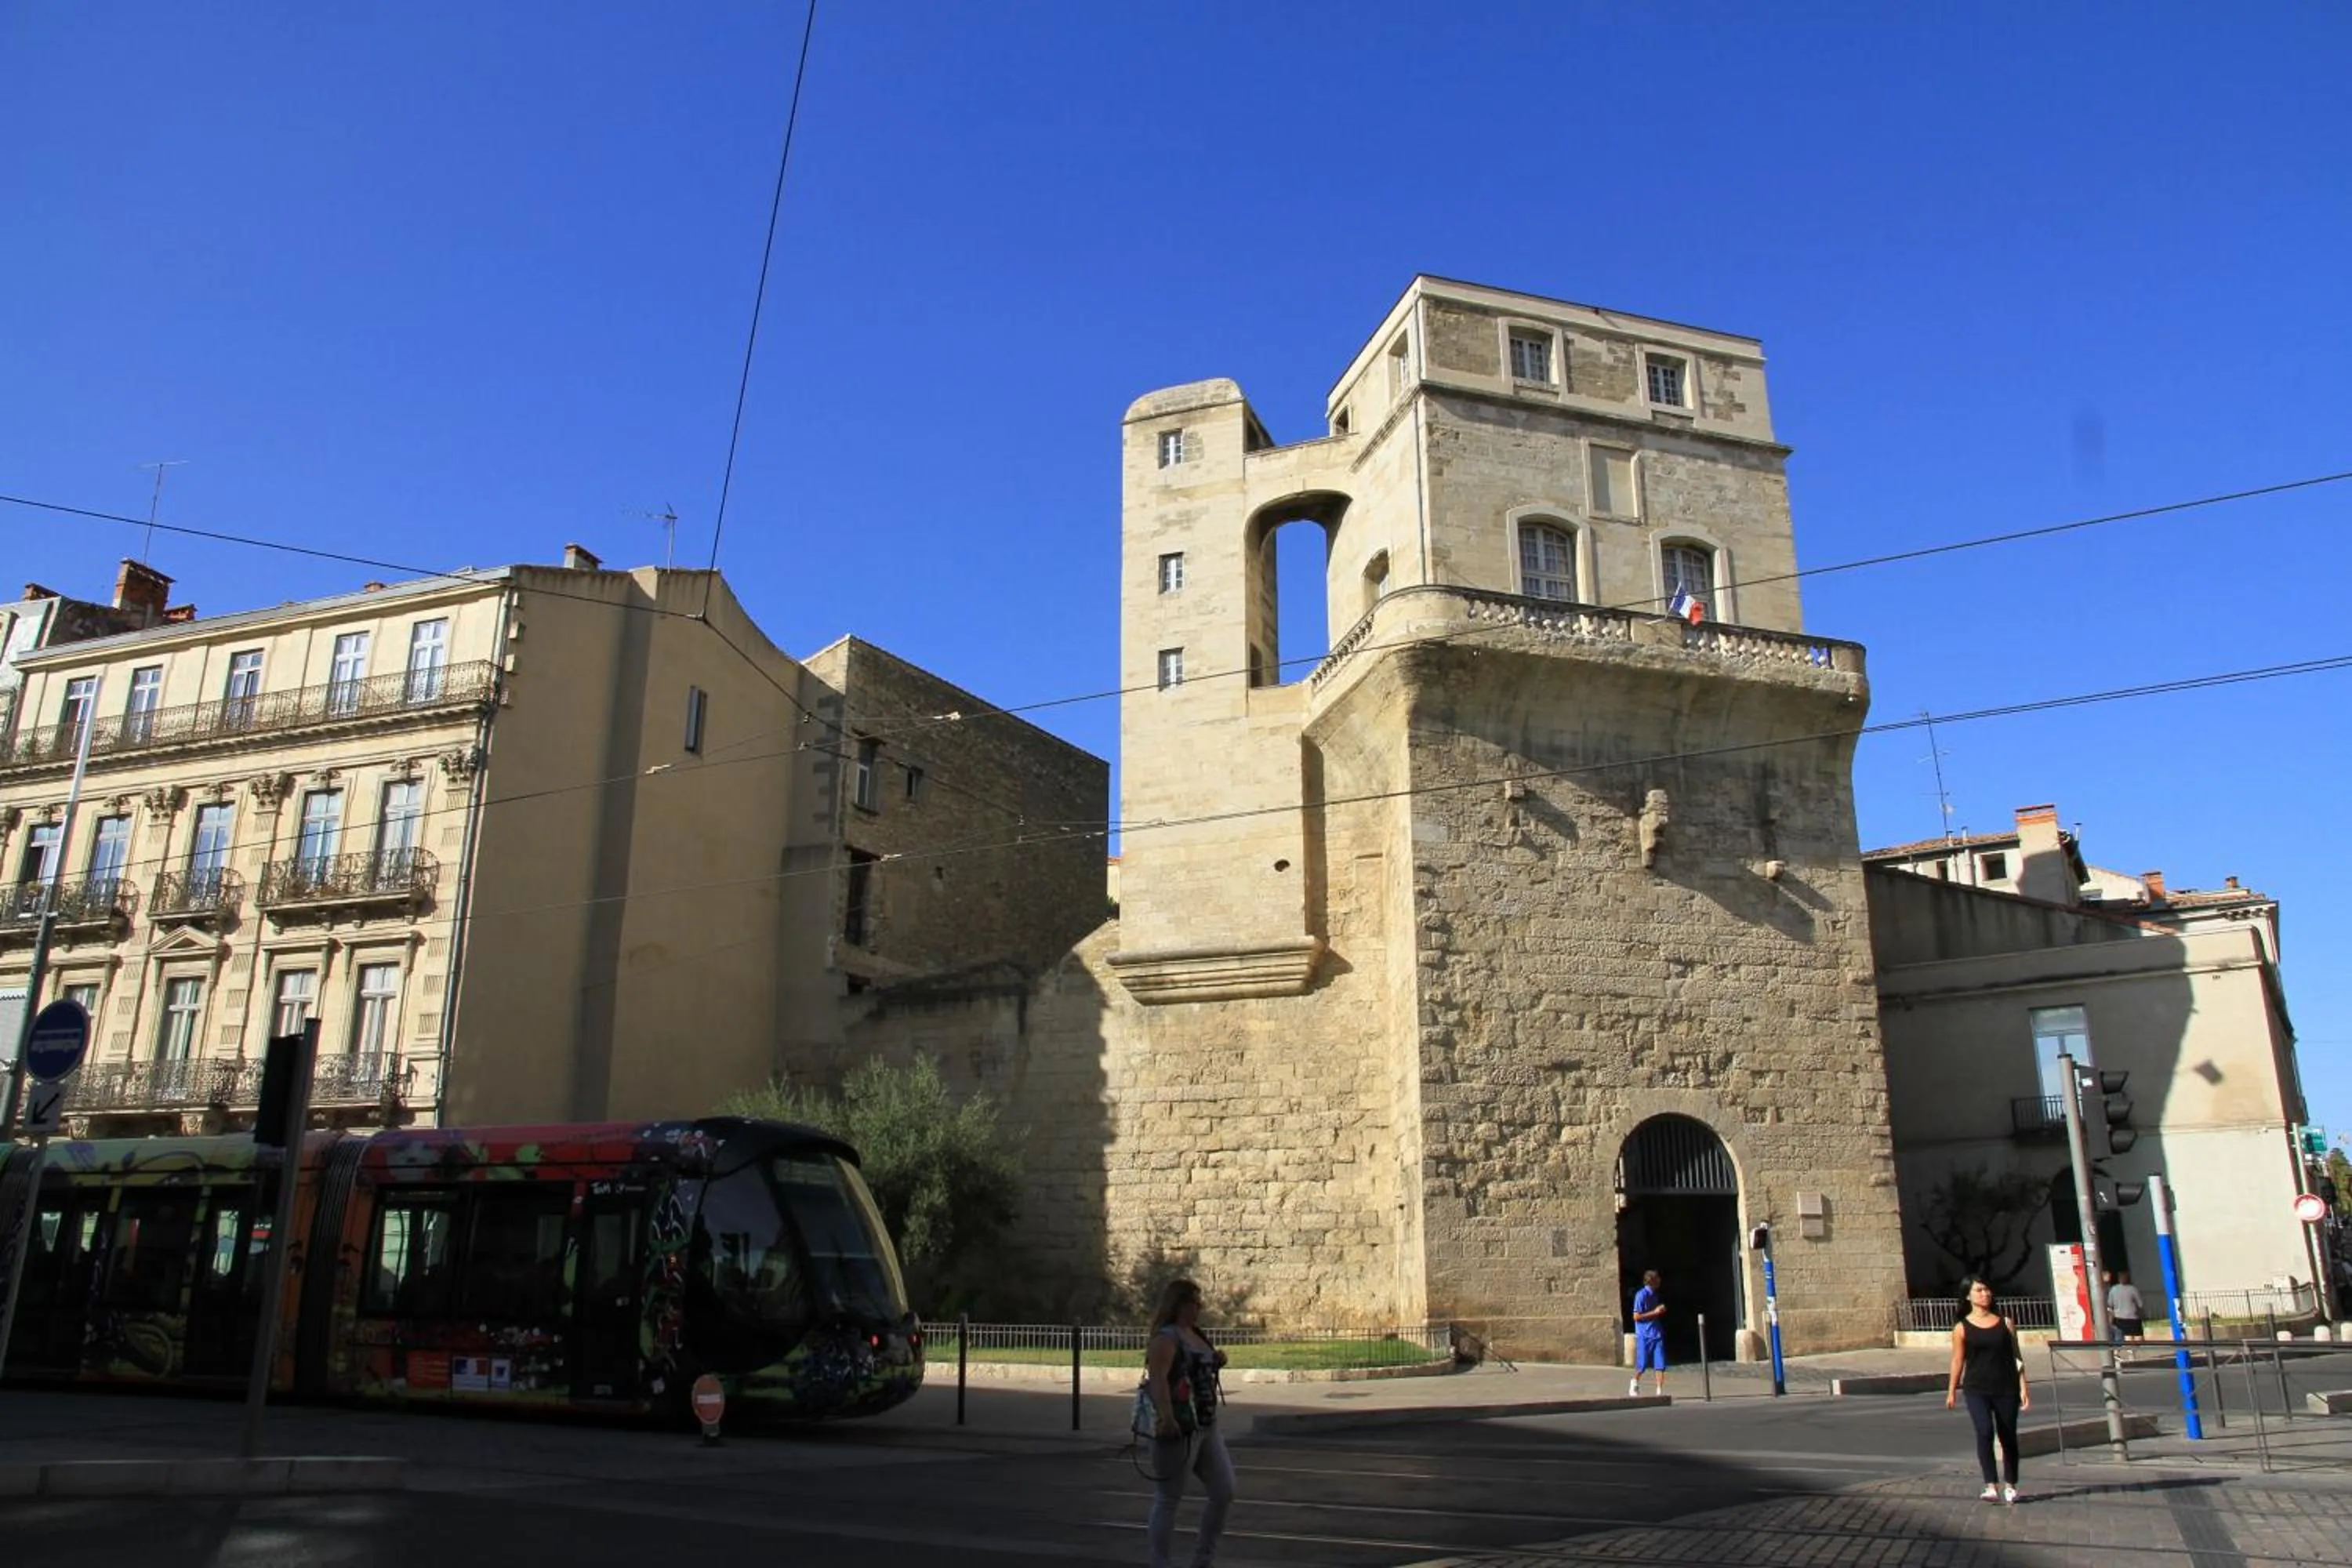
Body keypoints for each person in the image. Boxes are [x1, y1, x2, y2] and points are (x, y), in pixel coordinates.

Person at [1145, 1278, 1234, 1568]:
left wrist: (1216, 1360)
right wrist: (1167, 1417)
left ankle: (1203, 1557)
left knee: (1224, 1490)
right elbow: (1158, 1378)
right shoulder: (1166, 1338)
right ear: (1179, 1303)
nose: (1199, 1307)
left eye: (1200, 1302)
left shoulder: (1195, 1333)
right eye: (1195, 1302)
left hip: (1207, 1425)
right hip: (1180, 1426)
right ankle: (1161, 1562)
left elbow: (1197, 1368)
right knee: (1169, 1498)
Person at [1945, 1276, 2031, 1504]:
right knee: (1984, 1431)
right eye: (1979, 1290)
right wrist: (1952, 1390)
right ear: (1968, 1296)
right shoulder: (1961, 1328)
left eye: (1987, 1289)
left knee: (2008, 1436)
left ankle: (2011, 1485)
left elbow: (2017, 1357)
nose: (1985, 1293)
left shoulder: (2006, 1323)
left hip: (2006, 1387)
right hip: (1976, 1389)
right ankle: (1990, 1485)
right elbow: (1957, 1360)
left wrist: (2023, 1386)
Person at [1629, 1269, 1667, 1398]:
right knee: (1643, 1364)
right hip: (1644, 1335)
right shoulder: (1641, 1295)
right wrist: (1656, 1312)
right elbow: (1636, 1317)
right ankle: (1634, 1381)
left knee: (1660, 1364)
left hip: (1656, 1333)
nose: (1660, 1281)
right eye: (1657, 1279)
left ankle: (1659, 1390)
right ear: (1652, 1281)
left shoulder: (1654, 1295)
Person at [2107, 1271, 2146, 1343]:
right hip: (2133, 1317)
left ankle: (2119, 1352)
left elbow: (2110, 1305)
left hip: (2119, 1317)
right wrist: (2142, 1314)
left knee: (2121, 1336)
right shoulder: (2133, 1289)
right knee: (2136, 1336)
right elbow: (2140, 1304)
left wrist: (2111, 1317)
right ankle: (2131, 1352)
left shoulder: (2113, 1289)